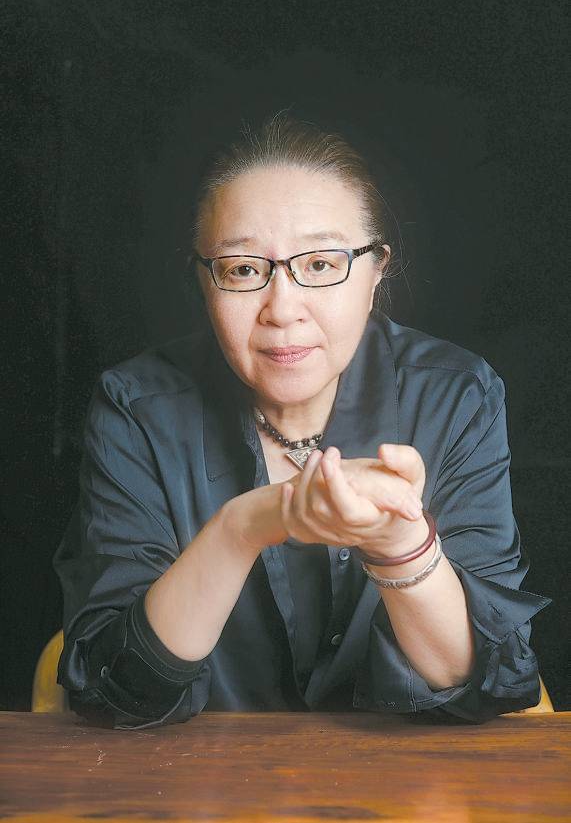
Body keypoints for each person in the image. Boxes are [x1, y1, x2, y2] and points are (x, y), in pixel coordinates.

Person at [54, 113, 551, 729]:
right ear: (205, 282)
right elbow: (115, 689)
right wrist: (243, 526)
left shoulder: (457, 396)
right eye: (242, 269)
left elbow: (480, 686)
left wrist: (400, 548)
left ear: (376, 271)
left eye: (320, 264)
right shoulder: (135, 408)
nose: (283, 309)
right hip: (196, 778)